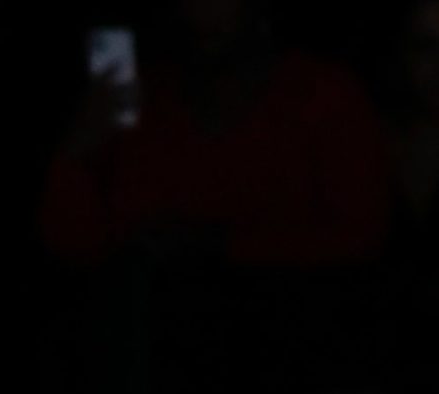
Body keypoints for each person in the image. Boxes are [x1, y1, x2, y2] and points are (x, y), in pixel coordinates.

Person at [39, 1, 390, 272]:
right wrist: (77, 148)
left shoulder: (324, 96)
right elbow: (76, 248)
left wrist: (220, 246)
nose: (202, 9)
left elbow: (361, 239)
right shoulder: (136, 101)